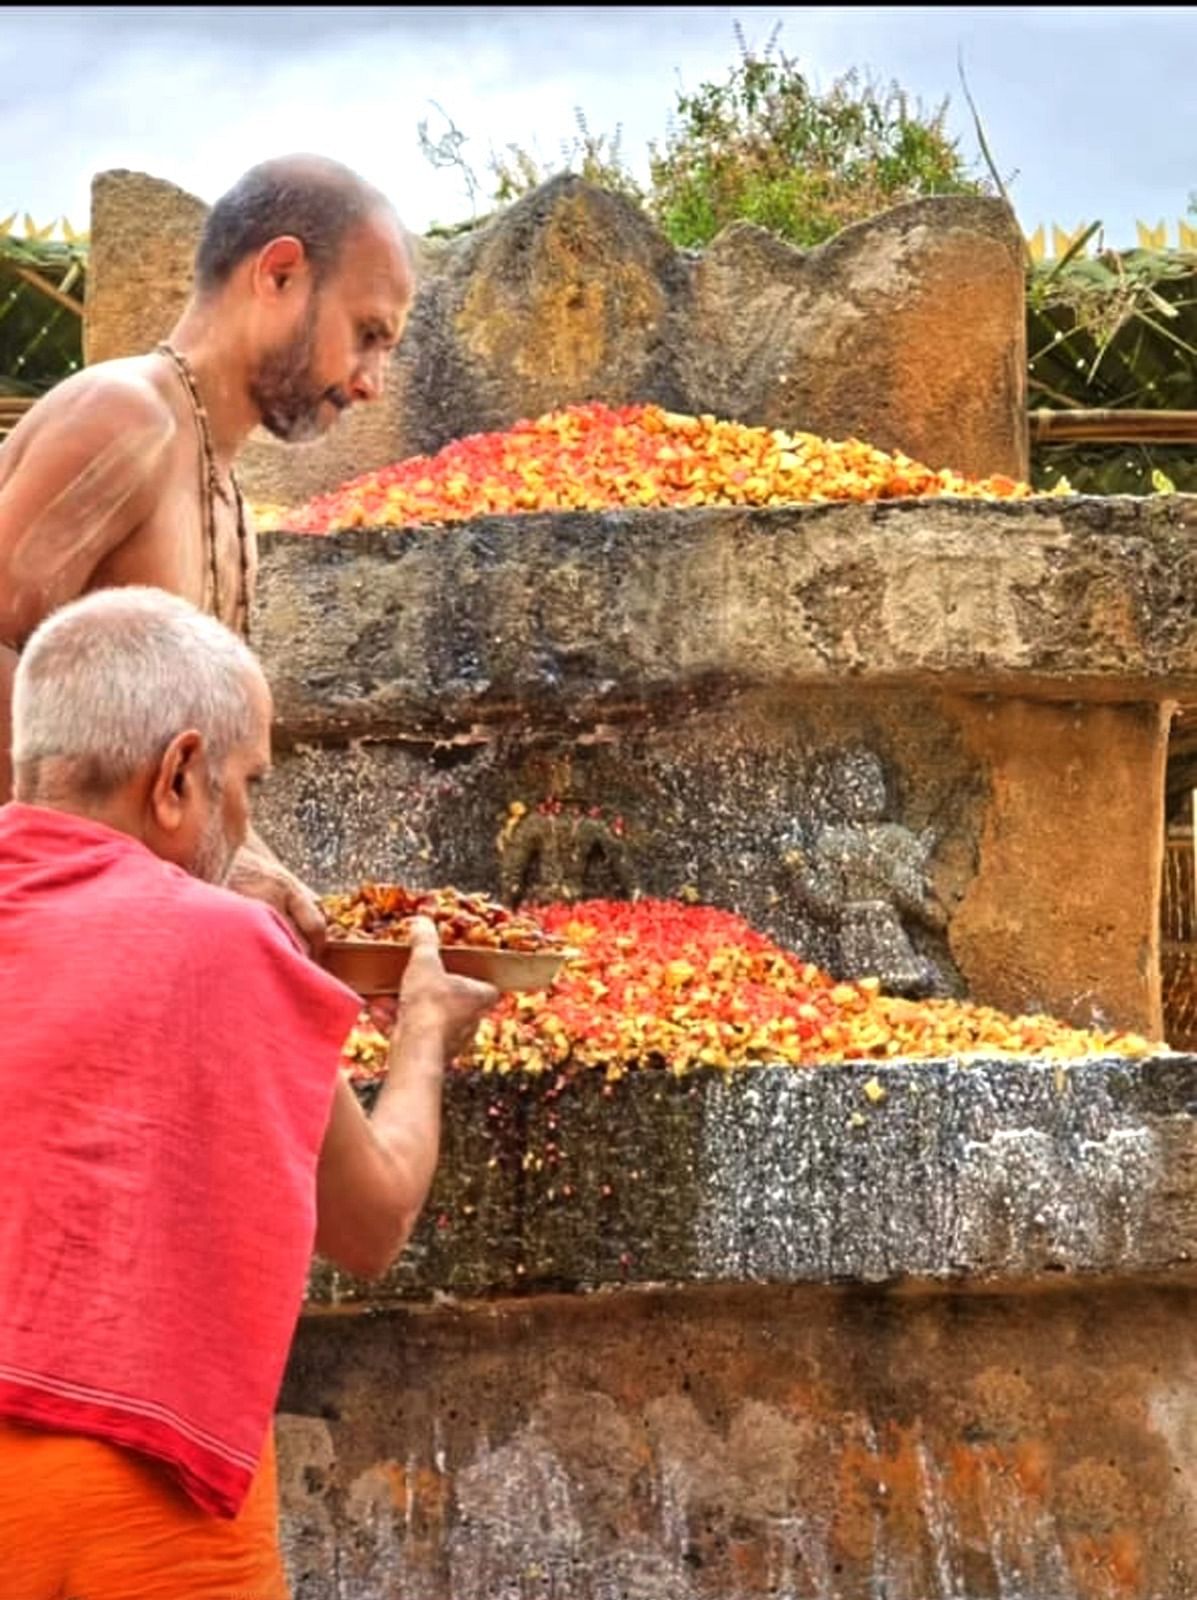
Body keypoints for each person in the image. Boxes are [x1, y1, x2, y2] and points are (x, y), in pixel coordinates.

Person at [0, 587, 497, 1597]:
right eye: (248, 784)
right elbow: (373, 1219)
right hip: (122, 1509)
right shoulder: (219, 945)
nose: (249, 823)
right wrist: (426, 1031)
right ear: (179, 774)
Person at [0, 153, 414, 951]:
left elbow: (166, 777)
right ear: (281, 274)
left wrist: (267, 882)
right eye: (367, 335)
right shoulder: (127, 420)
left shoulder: (223, 493)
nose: (373, 384)